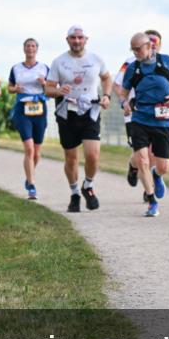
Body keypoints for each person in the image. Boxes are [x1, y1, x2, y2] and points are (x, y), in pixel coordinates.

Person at [45, 25, 112, 213]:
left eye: (80, 37)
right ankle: (74, 193)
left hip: (90, 111)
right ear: (67, 40)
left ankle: (88, 186)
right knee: (71, 157)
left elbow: (107, 78)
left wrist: (107, 96)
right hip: (67, 113)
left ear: (86, 39)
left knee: (93, 155)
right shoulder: (59, 61)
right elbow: (48, 88)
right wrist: (58, 90)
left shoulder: (96, 59)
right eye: (73, 38)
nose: (77, 41)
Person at [119, 32, 169, 217]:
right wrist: (124, 104)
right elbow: (123, 93)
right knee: (143, 159)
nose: (135, 52)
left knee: (163, 167)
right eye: (133, 49)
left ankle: (157, 175)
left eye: (138, 49)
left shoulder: (166, 61)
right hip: (140, 119)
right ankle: (151, 201)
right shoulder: (133, 68)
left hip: (163, 120)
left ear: (149, 46)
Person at [8, 38, 50, 200]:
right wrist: (15, 89)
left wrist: (44, 83)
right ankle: (32, 185)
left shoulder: (44, 68)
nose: (30, 48)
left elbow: (52, 88)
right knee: (29, 149)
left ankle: (29, 175)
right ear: (24, 49)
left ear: (37, 49)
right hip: (23, 109)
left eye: (33, 46)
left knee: (37, 152)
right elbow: (10, 87)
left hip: (39, 109)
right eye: (28, 46)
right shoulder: (16, 68)